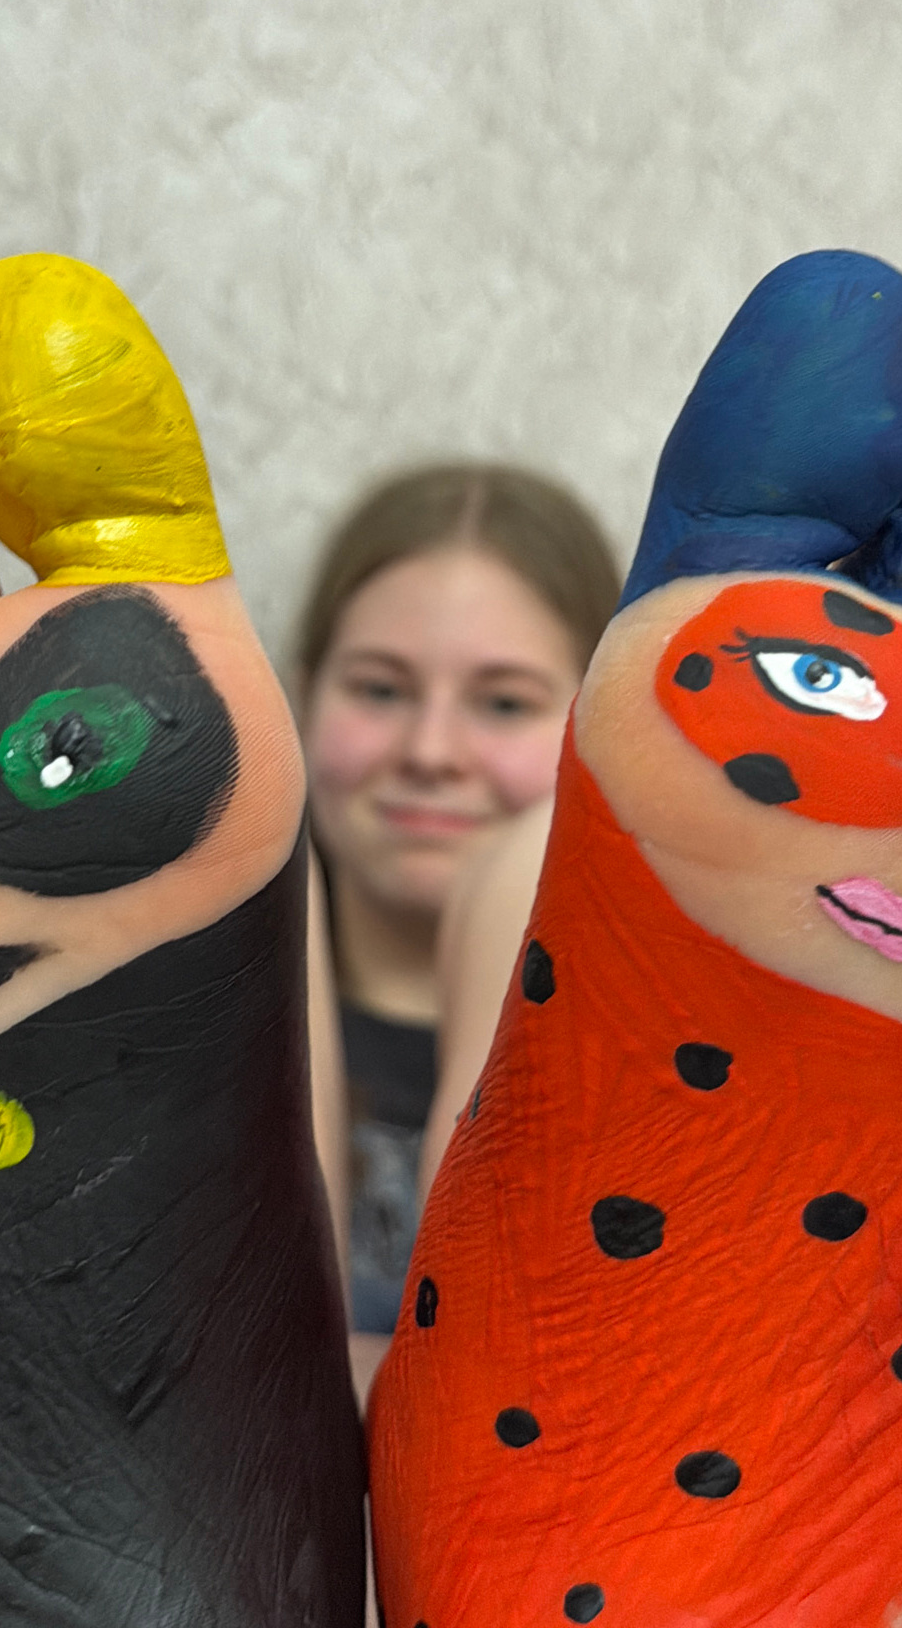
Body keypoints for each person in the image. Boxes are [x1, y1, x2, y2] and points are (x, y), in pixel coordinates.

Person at [295, 463, 620, 1336]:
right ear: (303, 694)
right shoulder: (189, 1030)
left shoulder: (668, 1061)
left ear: (607, 724)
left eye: (504, 703)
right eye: (380, 689)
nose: (431, 751)